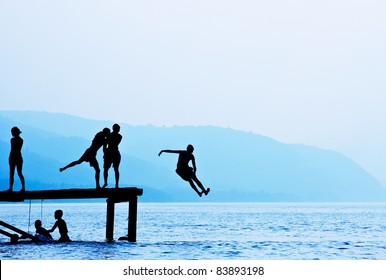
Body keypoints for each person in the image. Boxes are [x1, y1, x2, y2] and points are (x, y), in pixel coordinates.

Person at [102, 123, 122, 188]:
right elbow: (115, 143)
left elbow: (105, 145)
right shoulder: (119, 136)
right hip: (114, 152)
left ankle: (107, 183)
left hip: (110, 152)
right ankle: (116, 185)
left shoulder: (109, 135)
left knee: (107, 169)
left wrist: (105, 153)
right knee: (115, 169)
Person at [8, 126, 25, 192]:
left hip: (13, 157)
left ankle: (11, 188)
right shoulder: (21, 140)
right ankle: (23, 188)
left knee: (13, 173)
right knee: (19, 173)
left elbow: (13, 150)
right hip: (18, 158)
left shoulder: (12, 140)